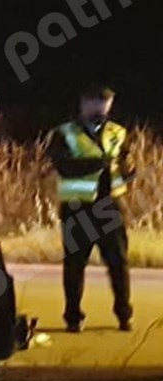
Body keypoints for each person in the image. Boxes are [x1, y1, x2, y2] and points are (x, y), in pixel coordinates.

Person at [46, 85, 137, 333]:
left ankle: (124, 315)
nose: (101, 108)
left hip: (110, 207)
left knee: (118, 263)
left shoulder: (118, 132)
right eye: (96, 103)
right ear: (83, 104)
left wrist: (128, 172)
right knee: (75, 265)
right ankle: (73, 318)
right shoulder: (63, 133)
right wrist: (99, 162)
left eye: (105, 103)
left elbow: (125, 163)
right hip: (77, 208)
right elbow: (64, 166)